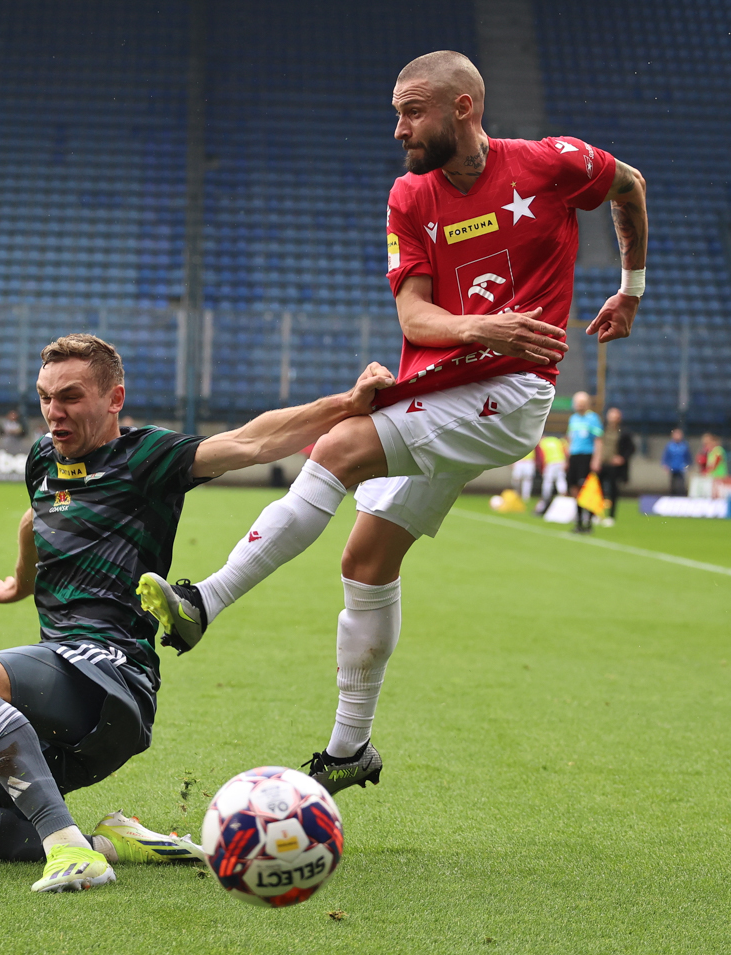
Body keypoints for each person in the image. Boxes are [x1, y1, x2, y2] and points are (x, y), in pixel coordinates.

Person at [138, 50, 647, 794]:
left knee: (339, 442)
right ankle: (351, 750)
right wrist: (485, 326)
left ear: (462, 108)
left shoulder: (552, 162)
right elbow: (414, 313)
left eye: (412, 112)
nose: (400, 127)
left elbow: (630, 187)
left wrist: (630, 287)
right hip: (448, 380)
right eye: (397, 113)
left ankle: (204, 600)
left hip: (510, 391)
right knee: (366, 562)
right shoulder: (410, 196)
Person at [0, 333, 393, 894]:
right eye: (44, 397)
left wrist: (346, 405)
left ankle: (68, 852)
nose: (54, 413)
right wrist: (22, 580)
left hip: (111, 678)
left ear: (114, 399)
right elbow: (35, 518)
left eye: (71, 397)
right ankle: (110, 842)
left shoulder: (145, 458)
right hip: (56, 701)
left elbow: (252, 442)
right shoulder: (43, 459)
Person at [566, 392, 603, 533]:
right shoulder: (573, 419)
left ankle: (588, 521)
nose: (579, 404)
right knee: (574, 488)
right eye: (577, 402)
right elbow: (570, 439)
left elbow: (598, 440)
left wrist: (596, 460)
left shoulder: (593, 419)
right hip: (574, 456)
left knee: (586, 488)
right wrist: (567, 458)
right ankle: (579, 520)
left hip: (586, 456)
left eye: (582, 402)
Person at [598, 407, 634, 526]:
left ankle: (611, 516)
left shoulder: (624, 431)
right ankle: (598, 514)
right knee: (598, 490)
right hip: (601, 463)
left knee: (613, 491)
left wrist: (622, 458)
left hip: (613, 466)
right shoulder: (601, 428)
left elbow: (631, 448)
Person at [536, 434, 569, 512]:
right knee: (561, 479)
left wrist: (541, 467)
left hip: (550, 462)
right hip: (561, 461)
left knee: (548, 481)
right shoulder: (555, 439)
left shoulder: (542, 443)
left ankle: (546, 497)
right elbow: (564, 449)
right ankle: (563, 495)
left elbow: (541, 456)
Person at [661, 429, 692, 496]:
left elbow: (688, 457)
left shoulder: (684, 446)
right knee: (673, 484)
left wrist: (688, 466)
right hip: (673, 467)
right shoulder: (670, 446)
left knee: (681, 484)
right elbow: (666, 456)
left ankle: (681, 497)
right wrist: (665, 465)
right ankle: (672, 497)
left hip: (681, 468)